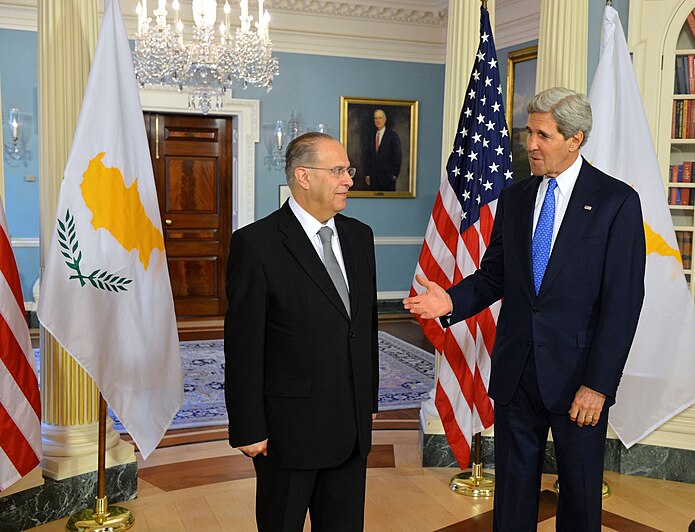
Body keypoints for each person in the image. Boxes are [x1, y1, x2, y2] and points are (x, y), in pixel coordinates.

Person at [404, 87, 646, 531]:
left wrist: (598, 384)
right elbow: (495, 275)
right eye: (528, 133)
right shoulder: (515, 198)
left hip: (579, 381)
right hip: (516, 371)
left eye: (543, 135)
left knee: (579, 493)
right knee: (513, 491)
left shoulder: (615, 202)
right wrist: (451, 301)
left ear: (575, 139)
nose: (530, 144)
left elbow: (624, 303)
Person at [224, 132, 379, 531]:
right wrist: (247, 426)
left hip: (351, 430)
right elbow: (243, 346)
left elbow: (363, 327)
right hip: (288, 434)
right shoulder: (256, 244)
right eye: (339, 171)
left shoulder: (360, 237)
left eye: (349, 170)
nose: (349, 180)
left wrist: (368, 403)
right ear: (304, 176)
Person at [364, 108, 402, 191]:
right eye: (376, 118)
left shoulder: (392, 136)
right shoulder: (371, 136)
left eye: (380, 118)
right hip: (373, 179)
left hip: (388, 179)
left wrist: (394, 175)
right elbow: (367, 157)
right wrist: (367, 174)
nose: (378, 120)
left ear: (385, 119)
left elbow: (397, 156)